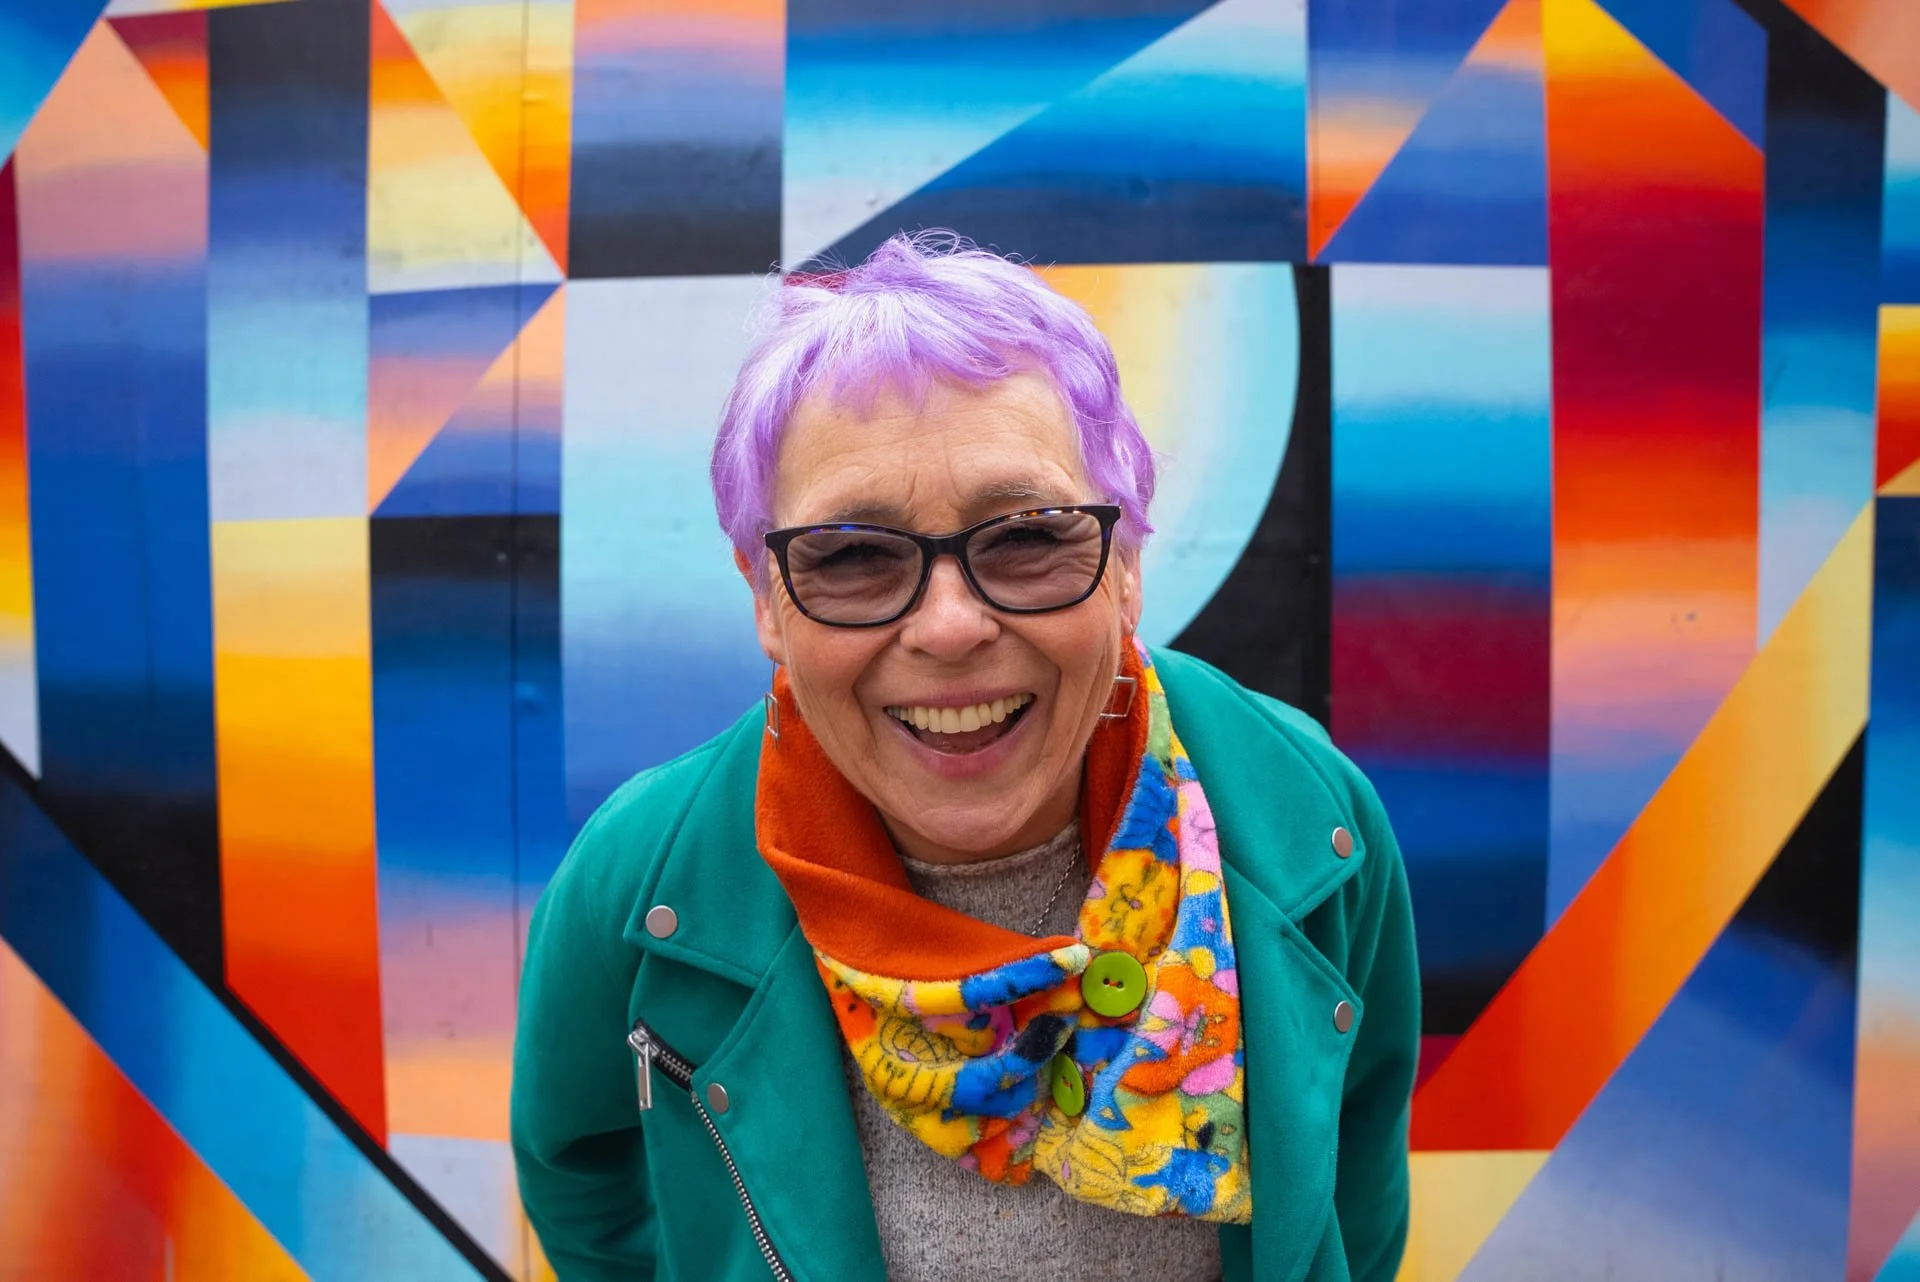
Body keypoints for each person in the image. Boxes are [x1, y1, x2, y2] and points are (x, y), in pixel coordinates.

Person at [510, 232, 1419, 1282]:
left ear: (1126, 564)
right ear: (765, 597)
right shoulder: (644, 882)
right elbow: (584, 1181)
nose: (948, 627)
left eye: (1028, 536)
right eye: (854, 555)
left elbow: (1354, 1181)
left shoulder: (1311, 817)